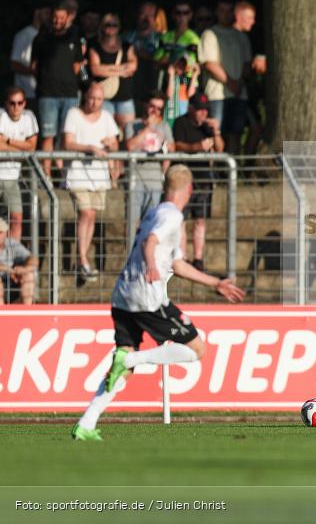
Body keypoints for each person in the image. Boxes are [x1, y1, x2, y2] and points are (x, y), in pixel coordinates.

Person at [72, 165, 245, 441]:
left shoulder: (154, 211)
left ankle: (87, 422)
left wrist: (215, 283)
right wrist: (152, 266)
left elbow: (176, 263)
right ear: (189, 190)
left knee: (122, 366)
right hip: (147, 296)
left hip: (123, 295)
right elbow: (150, 243)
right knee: (196, 349)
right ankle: (131, 358)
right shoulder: (173, 216)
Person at [63, 83, 120, 283]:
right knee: (85, 212)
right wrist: (90, 148)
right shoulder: (73, 113)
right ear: (85, 96)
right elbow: (67, 143)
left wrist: (111, 146)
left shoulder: (106, 117)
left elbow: (114, 143)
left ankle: (83, 260)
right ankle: (83, 258)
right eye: (92, 98)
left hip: (99, 175)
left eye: (99, 99)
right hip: (78, 173)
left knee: (92, 215)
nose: (95, 103)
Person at [172, 93, 223, 272]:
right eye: (199, 109)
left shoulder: (207, 127)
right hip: (184, 178)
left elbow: (220, 148)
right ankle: (182, 256)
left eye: (205, 110)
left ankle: (198, 258)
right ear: (191, 108)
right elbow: (176, 145)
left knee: (200, 219)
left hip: (203, 179)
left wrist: (216, 132)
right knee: (181, 220)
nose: (203, 113)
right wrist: (196, 148)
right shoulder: (180, 122)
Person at [32, 4, 83, 176]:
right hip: (47, 94)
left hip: (69, 94)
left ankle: (63, 175)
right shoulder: (41, 38)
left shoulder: (74, 38)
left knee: (65, 136)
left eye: (62, 17)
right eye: (55, 17)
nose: (58, 21)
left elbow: (77, 66)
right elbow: (34, 66)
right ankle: (46, 174)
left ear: (68, 18)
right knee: (48, 135)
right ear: (50, 17)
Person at [199, 1, 253, 154]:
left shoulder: (242, 37)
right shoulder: (209, 34)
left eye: (229, 10)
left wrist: (239, 84)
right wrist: (231, 84)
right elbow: (209, 64)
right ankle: (216, 174)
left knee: (235, 134)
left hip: (239, 94)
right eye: (222, 10)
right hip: (217, 94)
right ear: (216, 13)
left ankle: (233, 174)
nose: (226, 14)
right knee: (215, 134)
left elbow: (247, 64)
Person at [125, 92, 174, 227]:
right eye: (152, 106)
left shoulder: (164, 126)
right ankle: (130, 248)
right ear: (146, 105)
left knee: (150, 223)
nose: (155, 111)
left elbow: (171, 149)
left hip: (155, 180)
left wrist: (164, 172)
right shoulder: (132, 125)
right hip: (135, 178)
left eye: (159, 109)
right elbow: (129, 146)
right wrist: (148, 128)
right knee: (132, 222)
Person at [0, 87, 39, 240]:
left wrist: (8, 141)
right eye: (12, 103)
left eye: (19, 103)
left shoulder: (29, 117)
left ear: (24, 103)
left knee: (16, 219)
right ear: (6, 104)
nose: (16, 107)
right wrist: (21, 148)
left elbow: (32, 146)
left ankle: (12, 256)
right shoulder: (1, 115)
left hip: (12, 179)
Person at [89, 13, 138, 132]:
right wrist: (121, 70)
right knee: (104, 132)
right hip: (104, 97)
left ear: (119, 27)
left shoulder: (127, 46)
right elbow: (95, 70)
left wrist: (106, 69)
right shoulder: (95, 46)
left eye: (114, 25)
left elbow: (132, 66)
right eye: (108, 24)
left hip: (125, 97)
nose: (111, 27)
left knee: (128, 131)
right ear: (102, 26)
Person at [123, 2, 162, 115]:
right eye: (143, 14)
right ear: (137, 16)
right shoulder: (125, 37)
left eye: (150, 15)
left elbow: (161, 60)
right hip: (129, 89)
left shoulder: (162, 39)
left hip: (153, 90)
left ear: (155, 18)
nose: (146, 18)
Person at [9, 6, 50, 106]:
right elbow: (14, 64)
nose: (49, 16)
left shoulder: (48, 35)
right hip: (27, 94)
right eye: (46, 13)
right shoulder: (24, 35)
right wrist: (37, 72)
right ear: (37, 13)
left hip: (45, 93)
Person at [0, 217, 37, 304]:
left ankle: (26, 313)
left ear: (6, 233)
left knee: (29, 276)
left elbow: (33, 259)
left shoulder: (11, 243)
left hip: (12, 283)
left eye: (1, 232)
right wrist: (10, 270)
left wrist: (25, 269)